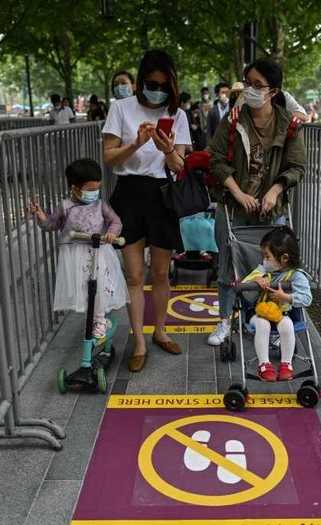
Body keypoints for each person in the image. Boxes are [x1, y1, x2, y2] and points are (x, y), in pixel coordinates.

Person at [102, 49, 191, 372]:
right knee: (135, 275)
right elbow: (109, 158)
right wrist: (137, 143)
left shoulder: (177, 114)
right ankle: (139, 340)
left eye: (164, 85)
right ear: (141, 81)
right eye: (152, 83)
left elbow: (179, 166)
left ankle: (162, 331)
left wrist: (167, 150)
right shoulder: (121, 109)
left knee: (160, 272)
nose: (158, 90)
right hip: (129, 194)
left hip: (162, 195)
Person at [207, 57, 305, 347]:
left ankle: (272, 320)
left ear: (273, 91)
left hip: (270, 209)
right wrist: (238, 193)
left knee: (274, 267)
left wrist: (275, 190)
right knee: (228, 263)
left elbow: (296, 167)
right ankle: (225, 320)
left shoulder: (289, 125)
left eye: (257, 85)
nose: (249, 89)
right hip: (234, 206)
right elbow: (215, 160)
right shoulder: (234, 119)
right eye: (247, 83)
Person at [28, 158, 128, 339]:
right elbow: (50, 225)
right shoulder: (65, 206)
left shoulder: (100, 205)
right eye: (90, 190)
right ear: (74, 188)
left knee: (99, 287)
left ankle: (100, 319)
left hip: (98, 253)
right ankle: (94, 319)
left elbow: (115, 221)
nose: (94, 193)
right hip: (75, 255)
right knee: (84, 289)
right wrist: (40, 215)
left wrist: (112, 233)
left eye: (97, 189)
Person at [243, 226, 311, 381]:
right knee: (263, 325)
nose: (264, 260)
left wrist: (286, 297)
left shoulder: (295, 276)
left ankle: (286, 364)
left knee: (287, 324)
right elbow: (243, 286)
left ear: (284, 258)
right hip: (258, 313)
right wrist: (255, 280)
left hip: (282, 314)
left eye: (267, 256)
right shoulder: (262, 269)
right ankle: (264, 365)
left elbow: (306, 298)